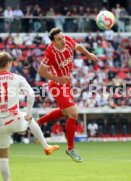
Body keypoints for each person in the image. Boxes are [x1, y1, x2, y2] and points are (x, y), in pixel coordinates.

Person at [0, 52, 59, 181]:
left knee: (3, 156)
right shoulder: (16, 78)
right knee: (29, 118)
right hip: (14, 119)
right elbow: (31, 94)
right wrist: (29, 113)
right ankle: (46, 147)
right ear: (9, 63)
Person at [37, 27, 98, 162]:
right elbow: (41, 71)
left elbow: (79, 46)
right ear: (53, 42)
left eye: (63, 37)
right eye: (59, 39)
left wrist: (88, 54)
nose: (63, 40)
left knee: (65, 112)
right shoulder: (50, 53)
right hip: (57, 85)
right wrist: (58, 79)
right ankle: (70, 148)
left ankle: (37, 123)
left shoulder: (68, 41)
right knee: (73, 113)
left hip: (66, 84)